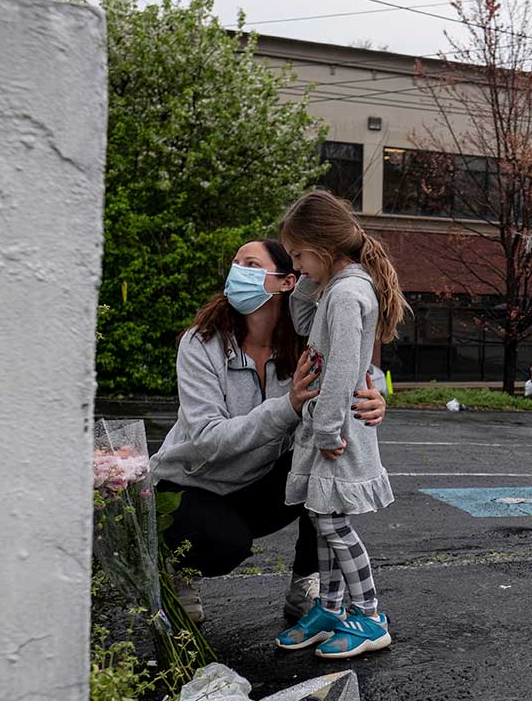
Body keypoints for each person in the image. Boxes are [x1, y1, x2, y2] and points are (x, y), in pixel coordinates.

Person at [151, 240, 387, 625]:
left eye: (250, 263)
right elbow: (207, 440)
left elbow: (346, 385)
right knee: (225, 544)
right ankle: (182, 570)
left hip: (256, 485)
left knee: (327, 467)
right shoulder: (201, 343)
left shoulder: (304, 347)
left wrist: (372, 404)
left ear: (286, 282)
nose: (237, 270)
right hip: (191, 485)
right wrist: (288, 406)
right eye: (235, 262)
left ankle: (305, 585)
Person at [273, 190, 406, 659]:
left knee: (332, 523)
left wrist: (328, 429)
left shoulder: (349, 294)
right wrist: (314, 275)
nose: (296, 265)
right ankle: (331, 607)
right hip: (329, 428)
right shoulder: (336, 288)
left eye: (299, 255)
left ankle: (369, 616)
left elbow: (347, 368)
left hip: (338, 430)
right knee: (321, 516)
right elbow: (303, 314)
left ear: (323, 248)